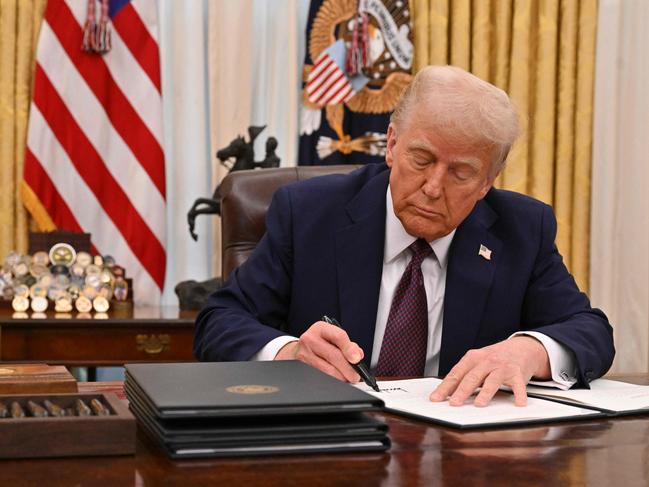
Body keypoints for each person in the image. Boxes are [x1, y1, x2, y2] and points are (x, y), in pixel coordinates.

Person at [194, 65, 615, 407]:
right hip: (333, 445)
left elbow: (591, 331)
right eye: (422, 159)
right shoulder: (308, 213)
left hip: (463, 454)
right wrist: (290, 354)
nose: (433, 186)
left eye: (461, 172)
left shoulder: (522, 228)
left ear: (488, 181)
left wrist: (530, 351)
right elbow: (219, 323)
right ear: (392, 144)